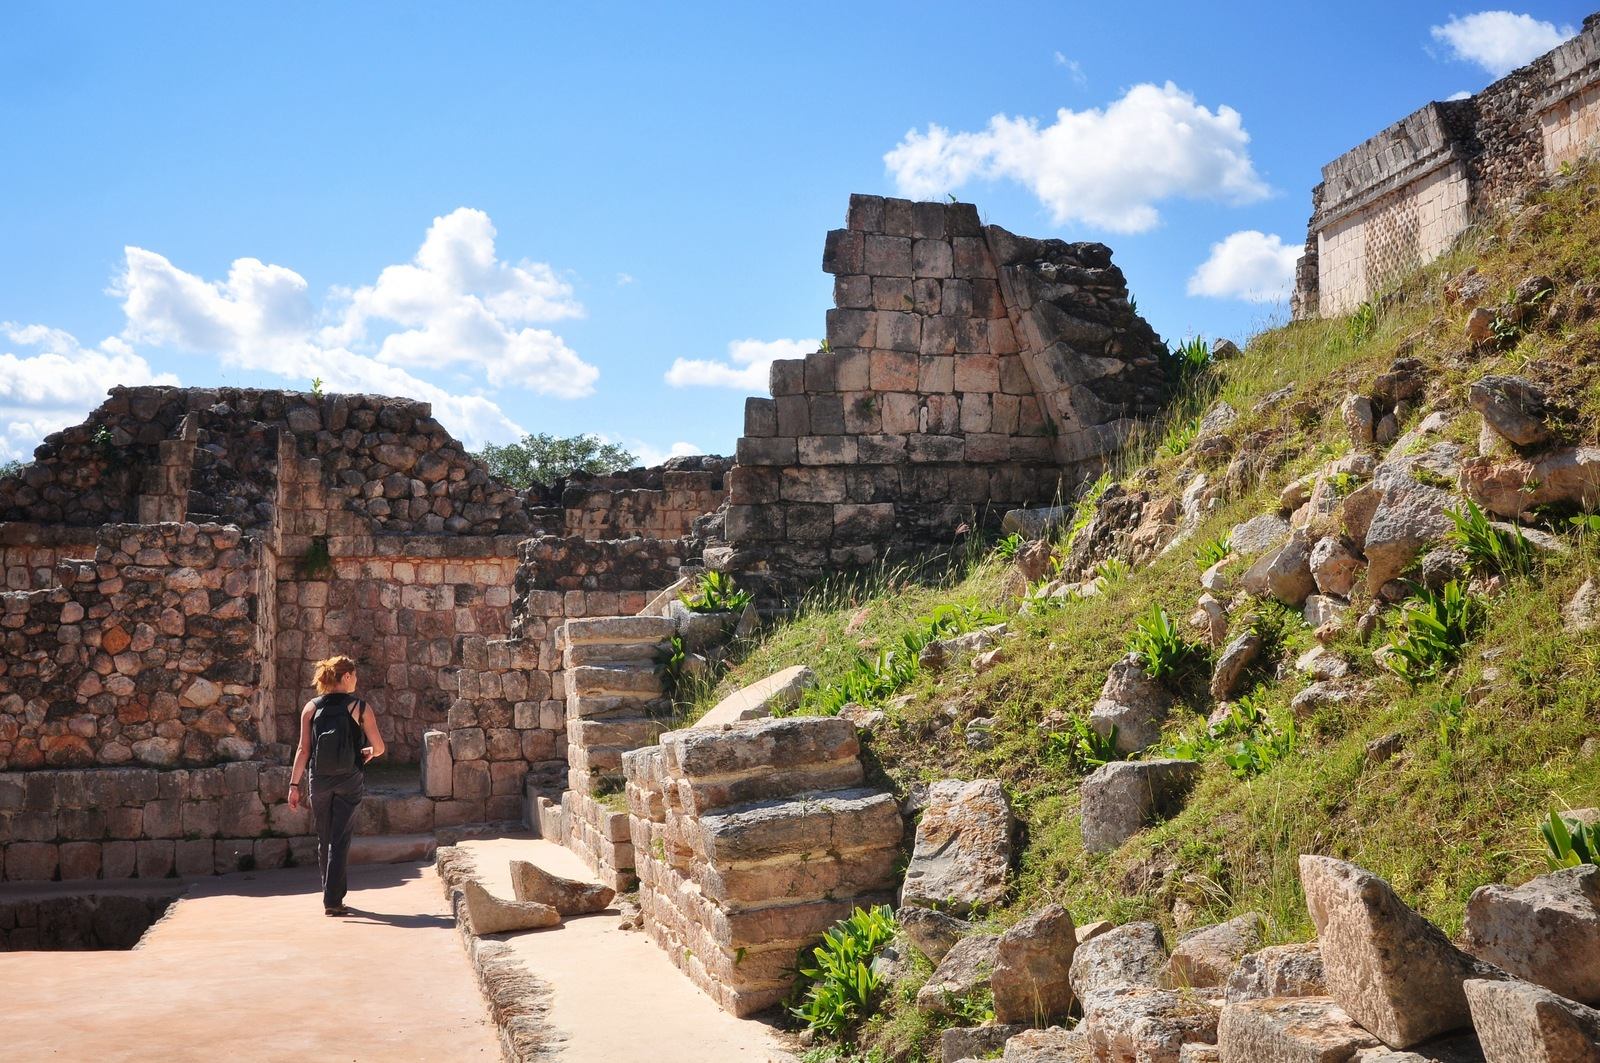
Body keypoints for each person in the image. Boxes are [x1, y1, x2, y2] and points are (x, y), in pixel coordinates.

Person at [287, 654, 386, 915]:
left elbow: (303, 749)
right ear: (346, 677)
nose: (356, 681)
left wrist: (293, 785)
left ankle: (331, 893)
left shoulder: (311, 707)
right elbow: (379, 747)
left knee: (325, 837)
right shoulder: (360, 708)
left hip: (318, 778)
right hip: (349, 778)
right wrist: (370, 753)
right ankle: (333, 900)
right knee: (340, 839)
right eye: (354, 676)